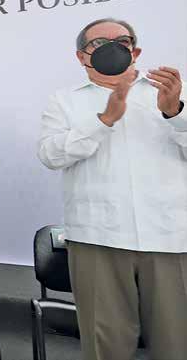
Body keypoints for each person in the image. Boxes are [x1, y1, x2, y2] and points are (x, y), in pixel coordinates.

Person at [38, 18, 187, 360]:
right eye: (100, 43)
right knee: (105, 345)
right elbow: (50, 155)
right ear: (81, 56)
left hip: (169, 236)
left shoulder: (171, 93)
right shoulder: (64, 101)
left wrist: (174, 113)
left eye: (122, 41)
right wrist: (104, 120)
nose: (113, 48)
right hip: (98, 237)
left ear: (136, 51)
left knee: (176, 343)